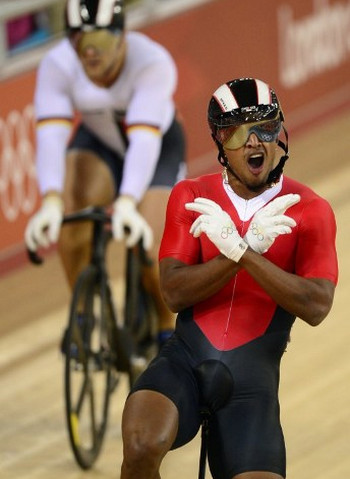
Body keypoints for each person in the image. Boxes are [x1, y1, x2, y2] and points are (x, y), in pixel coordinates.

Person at [119, 77, 338, 479]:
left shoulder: (310, 210)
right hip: (183, 364)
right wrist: (236, 256)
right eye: (238, 133)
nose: (254, 142)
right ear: (221, 144)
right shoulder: (191, 196)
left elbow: (317, 305)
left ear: (281, 132)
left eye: (265, 127)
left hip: (250, 389)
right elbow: (173, 292)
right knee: (140, 444)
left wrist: (242, 252)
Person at [24, 0, 186, 350]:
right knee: (73, 214)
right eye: (82, 42)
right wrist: (51, 200)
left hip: (157, 147)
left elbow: (144, 139)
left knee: (153, 251)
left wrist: (127, 203)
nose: (92, 52)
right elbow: (51, 135)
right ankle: (82, 314)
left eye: (102, 41)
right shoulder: (58, 64)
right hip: (101, 141)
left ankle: (164, 329)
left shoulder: (152, 64)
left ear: (123, 37)